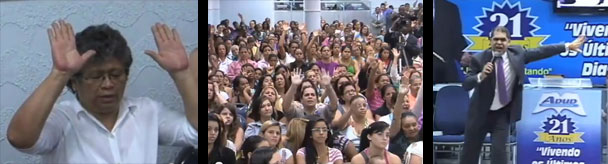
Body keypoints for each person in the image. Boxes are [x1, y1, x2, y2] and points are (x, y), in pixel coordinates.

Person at [7, 20, 197, 163]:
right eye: (96, 76)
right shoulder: (62, 118)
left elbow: (195, 131)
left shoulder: (147, 111)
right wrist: (60, 73)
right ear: (74, 82)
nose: (108, 84)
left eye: (116, 75)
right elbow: (20, 138)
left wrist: (181, 74)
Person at [460, 26, 585, 164]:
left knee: (499, 153)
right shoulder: (478, 59)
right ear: (490, 41)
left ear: (509, 42)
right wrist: (480, 75)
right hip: (479, 113)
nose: (499, 43)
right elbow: (466, 84)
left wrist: (567, 46)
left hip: (501, 114)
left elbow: (541, 51)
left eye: (503, 40)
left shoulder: (518, 54)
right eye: (496, 39)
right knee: (469, 153)